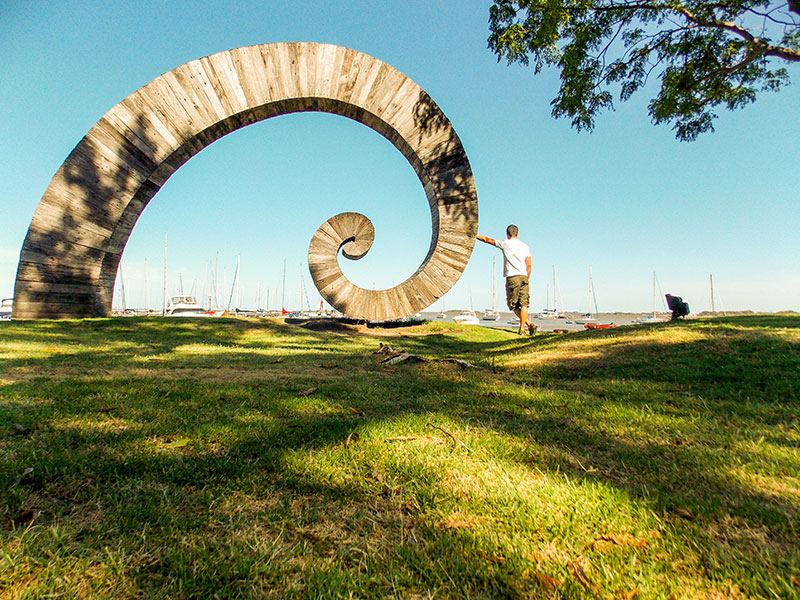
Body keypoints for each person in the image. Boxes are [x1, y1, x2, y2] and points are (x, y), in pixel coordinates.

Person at [476, 225, 535, 335]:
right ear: (517, 234)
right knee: (524, 304)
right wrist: (527, 277)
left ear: (507, 234)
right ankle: (526, 326)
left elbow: (487, 240)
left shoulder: (505, 243)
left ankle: (525, 326)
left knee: (513, 305)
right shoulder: (525, 246)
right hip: (524, 276)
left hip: (512, 277)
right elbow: (529, 264)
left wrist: (475, 235)